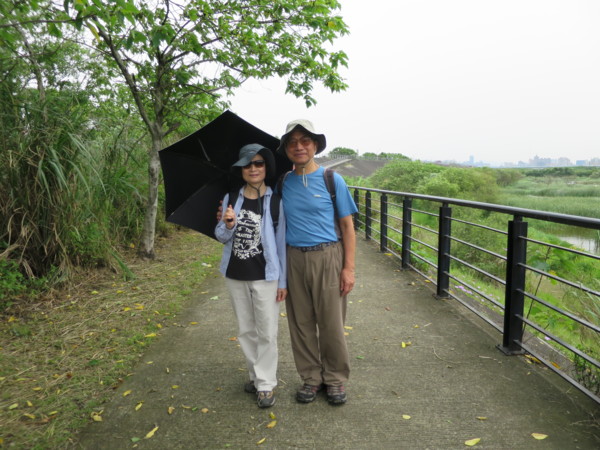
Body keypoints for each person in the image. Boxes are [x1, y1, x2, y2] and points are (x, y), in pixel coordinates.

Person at [276, 119, 358, 405]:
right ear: (286, 149)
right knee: (301, 323)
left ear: (315, 146)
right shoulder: (283, 182)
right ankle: (311, 378)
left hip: (327, 256)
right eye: (292, 142)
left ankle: (334, 378)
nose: (299, 146)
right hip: (294, 258)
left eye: (305, 141)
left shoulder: (331, 179)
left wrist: (348, 268)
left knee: (331, 323)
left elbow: (347, 227)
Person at [214, 143, 287, 409]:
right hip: (235, 274)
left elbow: (281, 244)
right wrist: (228, 224)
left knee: (267, 330)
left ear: (266, 167)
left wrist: (283, 281)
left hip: (266, 275)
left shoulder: (276, 201)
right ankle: (256, 376)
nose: (253, 168)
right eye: (247, 164)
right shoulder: (231, 197)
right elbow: (220, 236)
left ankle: (266, 384)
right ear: (241, 169)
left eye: (258, 163)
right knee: (246, 330)